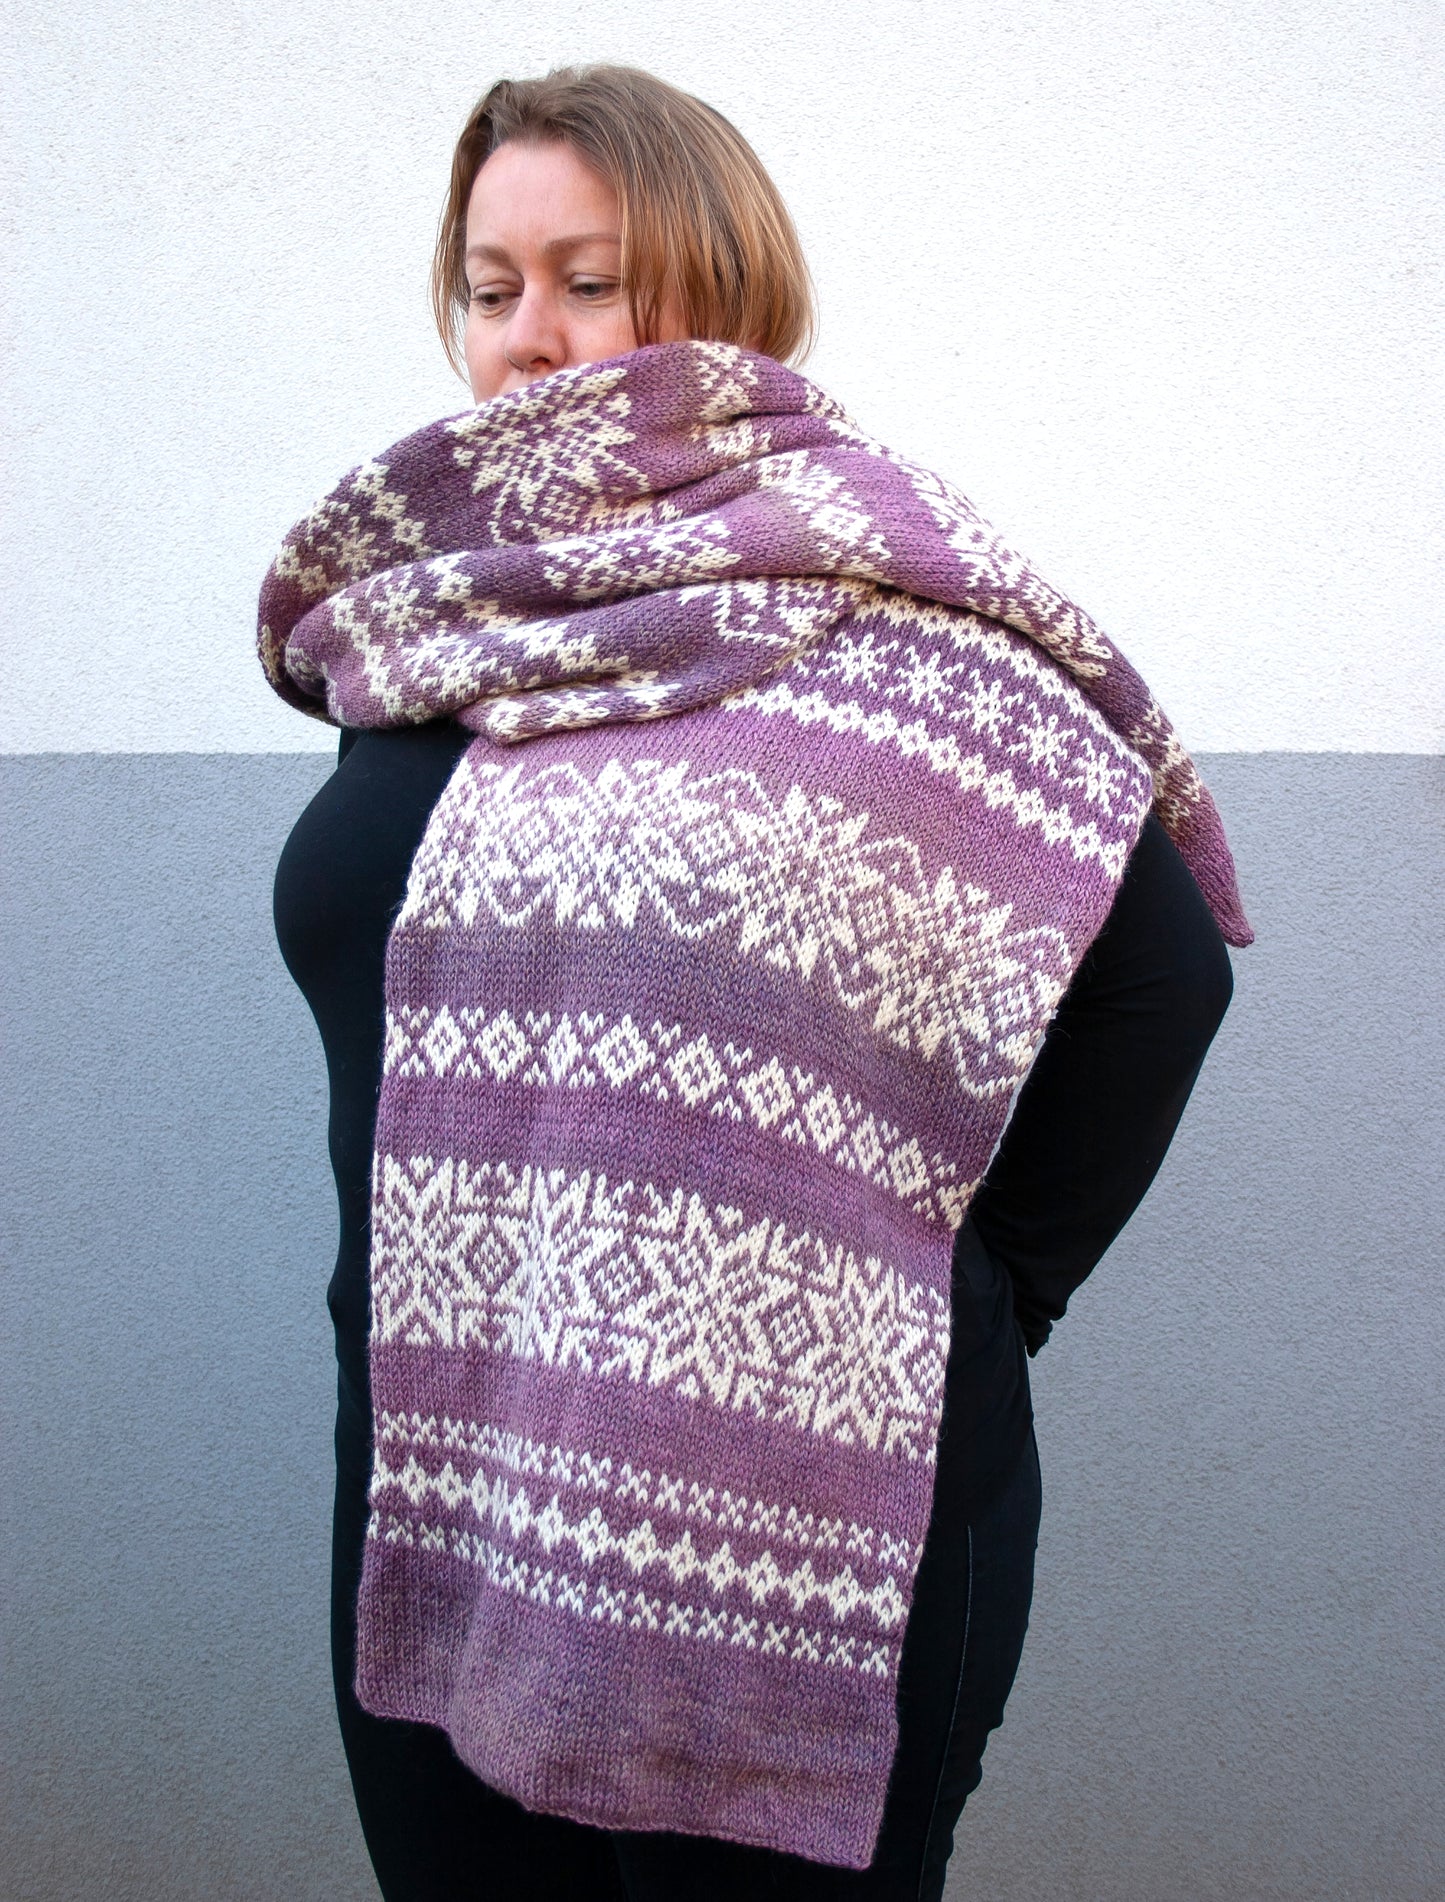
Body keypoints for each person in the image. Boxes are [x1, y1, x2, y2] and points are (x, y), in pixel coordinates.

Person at [268, 63, 1246, 1902]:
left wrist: (981, 1283)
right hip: (438, 1469)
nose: (533, 342)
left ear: (718, 285)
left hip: (800, 1504)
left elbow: (1160, 980)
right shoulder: (441, 611)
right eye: (491, 289)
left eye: (590, 278)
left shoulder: (885, 607)